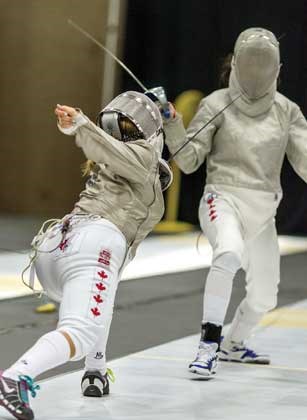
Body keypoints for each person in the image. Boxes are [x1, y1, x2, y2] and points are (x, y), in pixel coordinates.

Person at [0, 90, 171, 419]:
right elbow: (123, 146)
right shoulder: (145, 161)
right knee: (79, 332)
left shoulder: (112, 166)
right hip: (94, 246)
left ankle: (95, 372)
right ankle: (14, 378)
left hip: (56, 247)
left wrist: (96, 369)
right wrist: (81, 124)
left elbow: (117, 144)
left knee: (94, 312)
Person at [163, 27, 307, 377]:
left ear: (277, 68)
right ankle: (207, 346)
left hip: (264, 212)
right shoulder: (215, 104)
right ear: (238, 63)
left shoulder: (287, 111)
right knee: (228, 254)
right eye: (252, 61)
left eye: (265, 62)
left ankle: (234, 345)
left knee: (264, 298)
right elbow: (190, 160)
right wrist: (174, 126)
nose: (258, 68)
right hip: (222, 198)